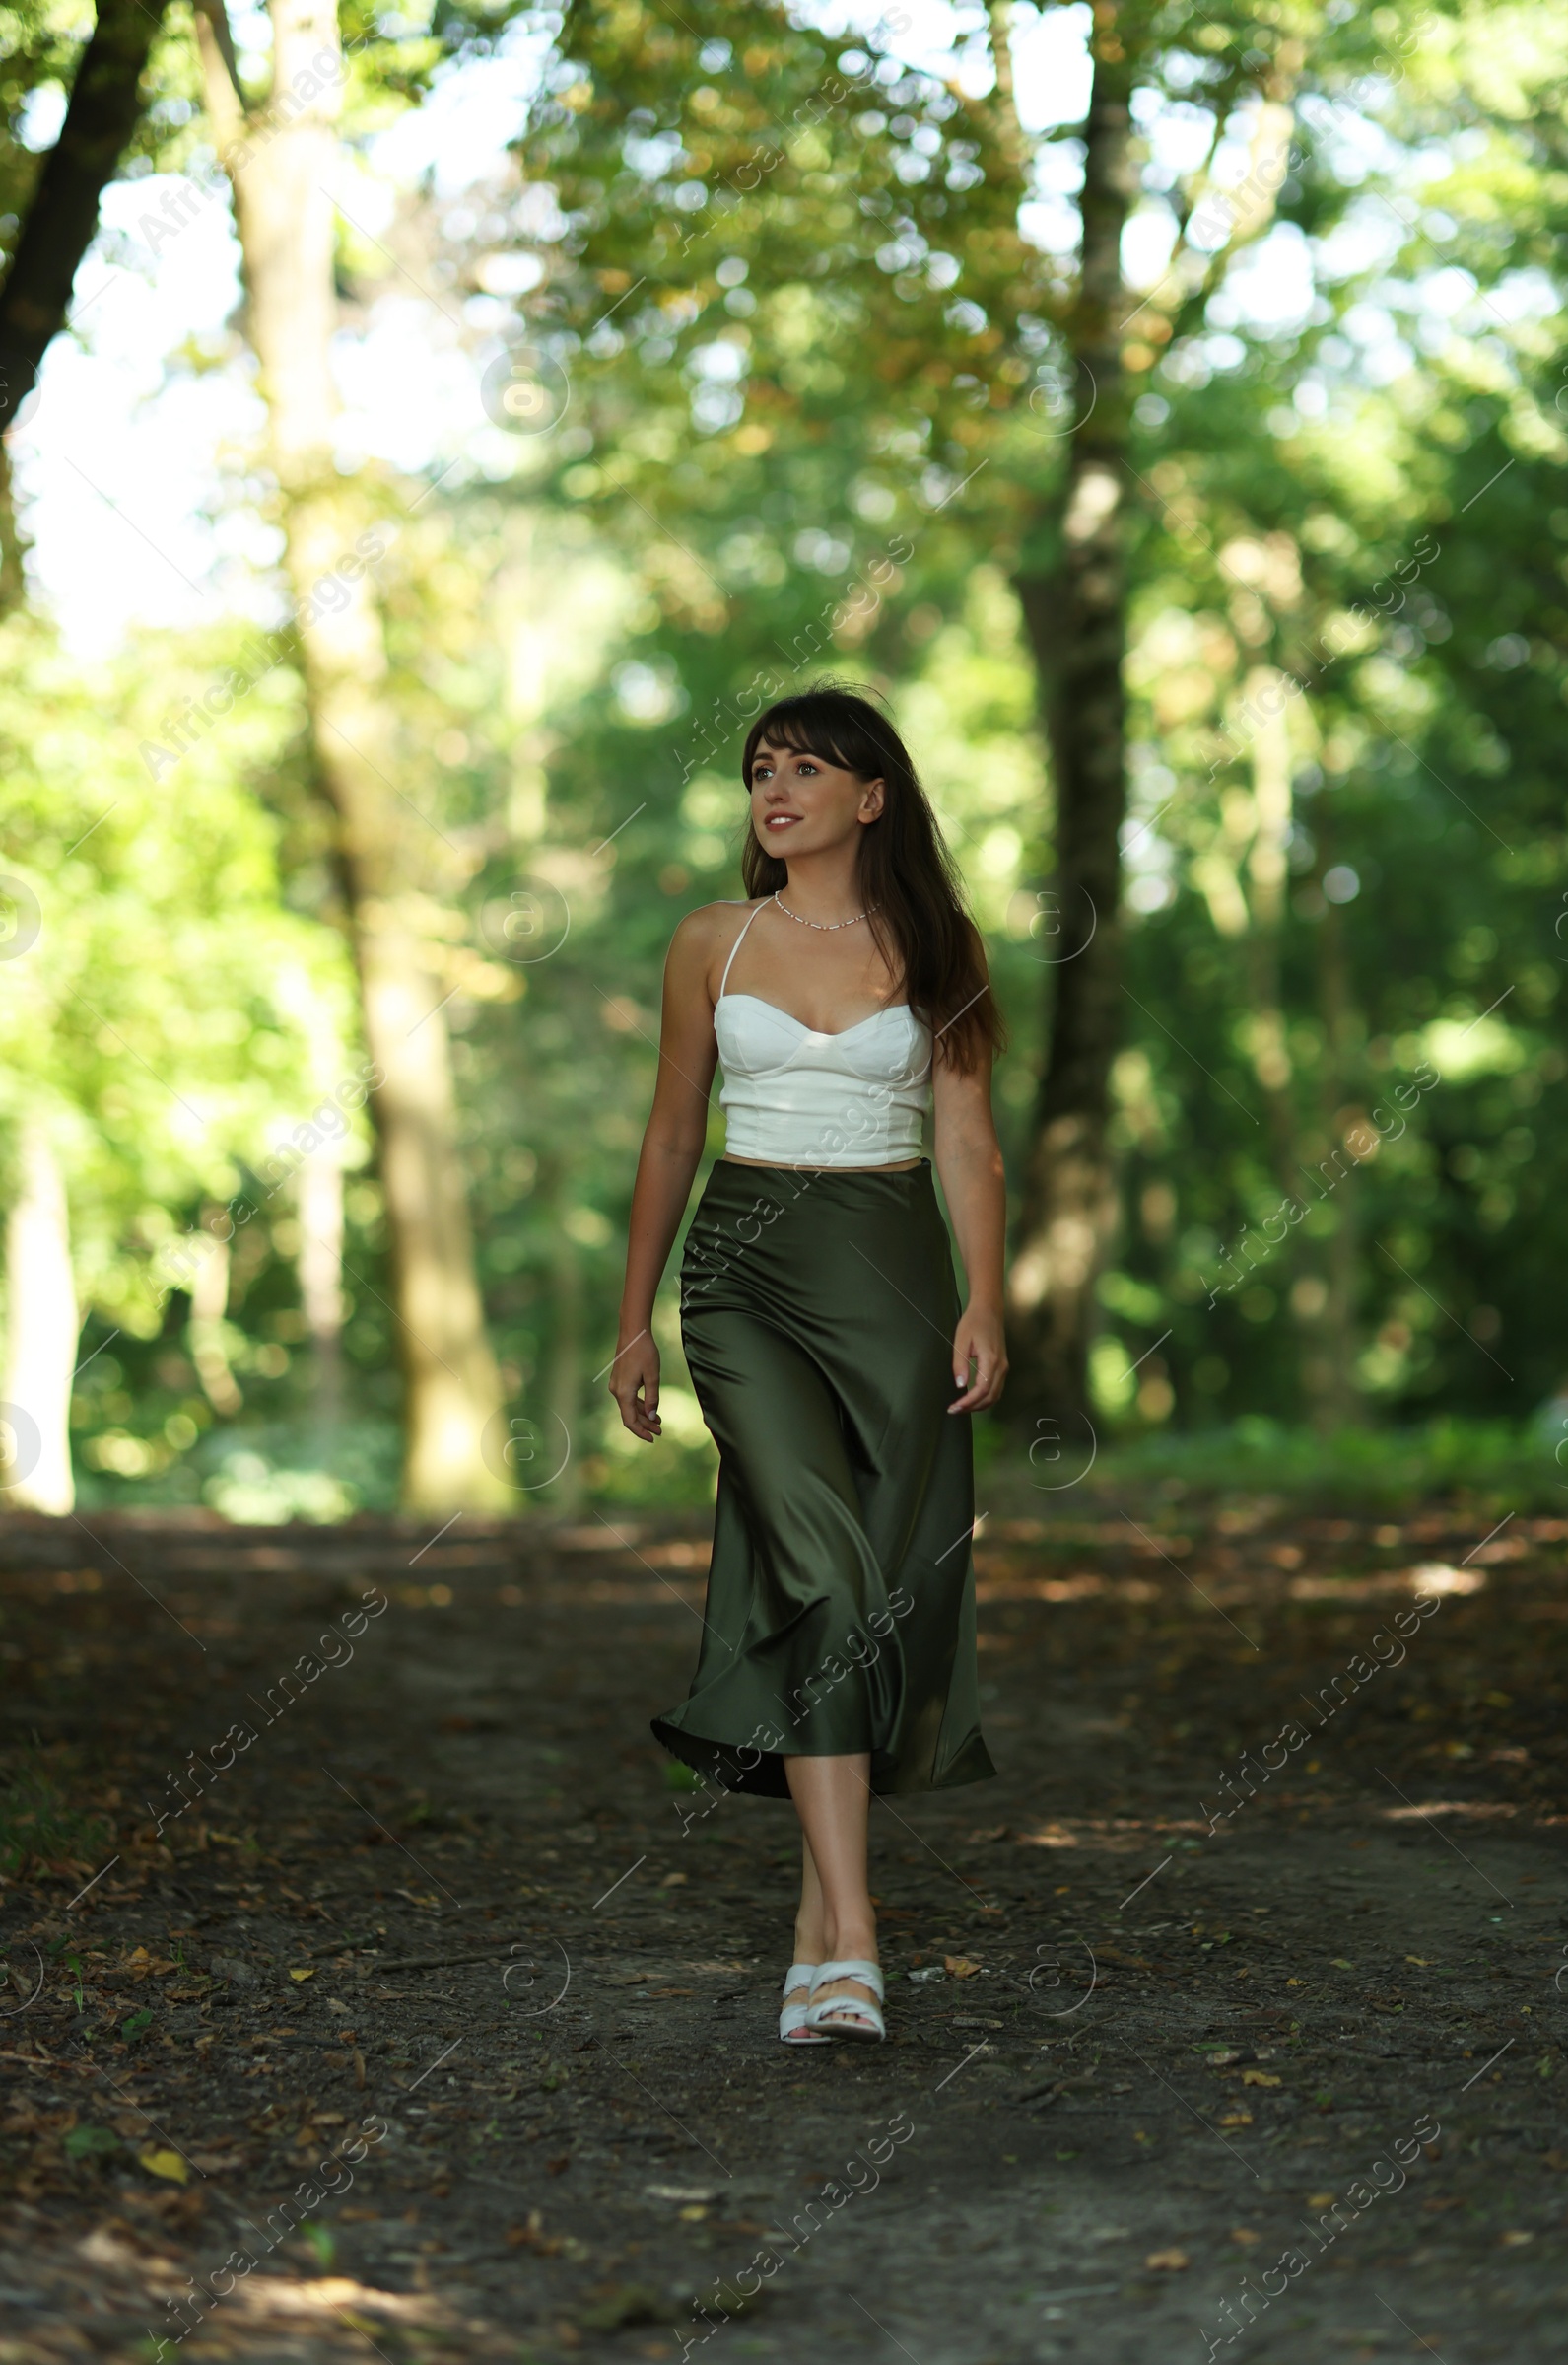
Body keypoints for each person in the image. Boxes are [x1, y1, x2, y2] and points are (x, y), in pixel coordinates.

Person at [609, 682, 1007, 2045]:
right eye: (761, 771)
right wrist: (635, 1319)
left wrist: (988, 1300)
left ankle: (811, 1924)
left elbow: (966, 1141)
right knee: (824, 1571)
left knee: (865, 1588)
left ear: (871, 796)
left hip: (894, 1281)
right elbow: (670, 1136)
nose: (774, 792)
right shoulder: (710, 942)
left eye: (806, 770)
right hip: (746, 1282)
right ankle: (857, 1935)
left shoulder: (942, 945)